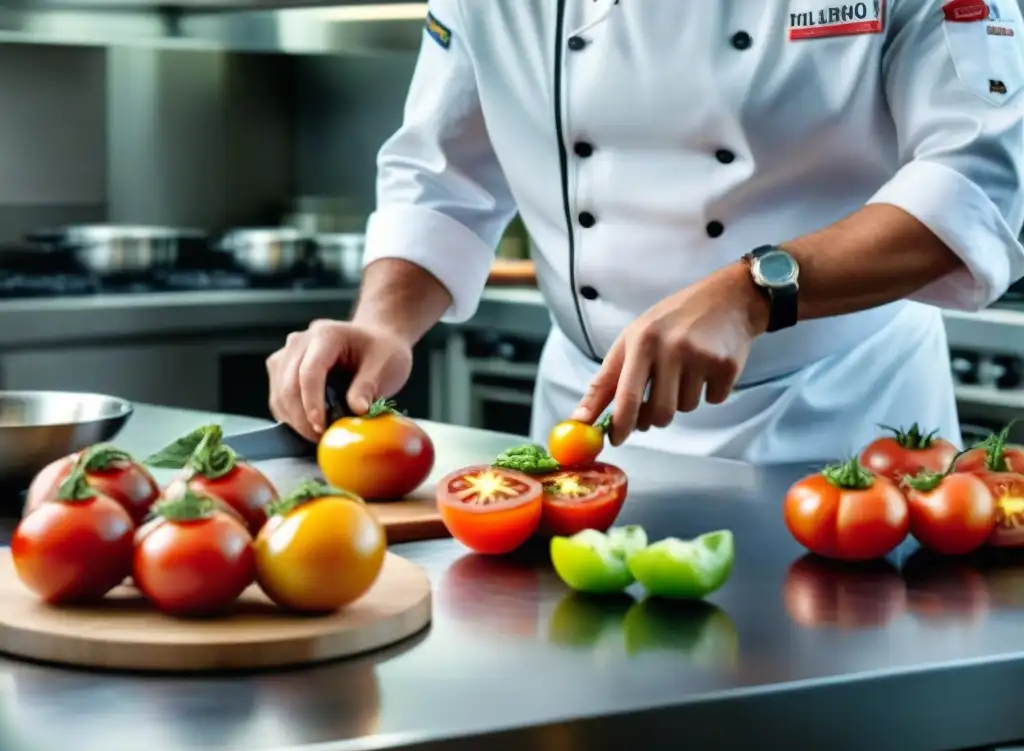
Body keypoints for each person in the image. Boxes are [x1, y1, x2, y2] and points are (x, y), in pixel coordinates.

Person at [267, 0, 1024, 464]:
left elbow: (975, 181)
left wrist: (754, 291)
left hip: (841, 433)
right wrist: (384, 323)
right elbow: (443, 173)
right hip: (585, 434)